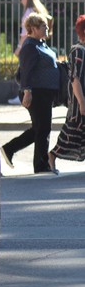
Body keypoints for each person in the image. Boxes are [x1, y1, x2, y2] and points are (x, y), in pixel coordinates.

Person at [0, 12, 59, 174]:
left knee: (39, 128)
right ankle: (41, 166)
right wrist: (27, 92)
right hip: (35, 93)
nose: (47, 28)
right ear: (33, 28)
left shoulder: (40, 44)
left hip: (44, 93)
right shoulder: (30, 46)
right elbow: (26, 72)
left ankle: (9, 148)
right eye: (43, 26)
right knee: (43, 128)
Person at [48, 14, 85, 173]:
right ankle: (52, 155)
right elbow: (75, 79)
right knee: (73, 129)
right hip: (79, 99)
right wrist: (82, 103)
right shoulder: (78, 51)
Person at [9, 0, 51, 104]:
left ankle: (23, 93)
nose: (21, 0)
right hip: (38, 45)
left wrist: (19, 47)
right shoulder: (37, 9)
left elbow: (24, 33)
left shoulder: (28, 12)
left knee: (24, 70)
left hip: (28, 44)